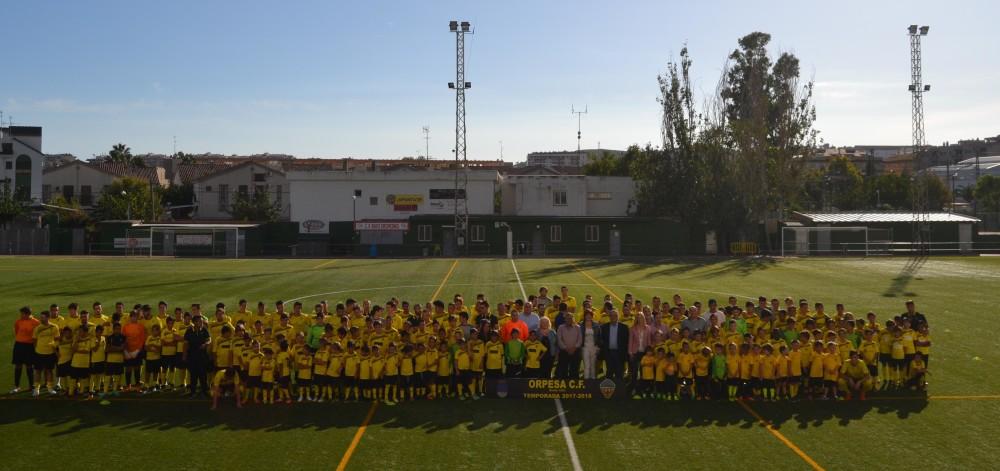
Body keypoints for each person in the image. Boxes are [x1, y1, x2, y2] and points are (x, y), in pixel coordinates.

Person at [11, 307, 39, 394]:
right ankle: (17, 386)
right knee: (18, 366)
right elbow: (16, 331)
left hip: (29, 346)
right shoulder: (18, 321)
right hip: (19, 345)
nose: (21, 315)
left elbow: (37, 335)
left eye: (22, 314)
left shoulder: (36, 322)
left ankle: (31, 386)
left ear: (27, 314)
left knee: (29, 366)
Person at [183, 315, 212, 397]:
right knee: (193, 374)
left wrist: (205, 344)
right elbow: (185, 343)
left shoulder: (204, 330)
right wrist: (184, 355)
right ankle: (193, 391)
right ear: (194, 322)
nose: (201, 323)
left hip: (202, 356)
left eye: (202, 321)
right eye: (200, 321)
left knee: (203, 374)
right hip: (192, 356)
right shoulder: (189, 331)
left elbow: (209, 340)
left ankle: (204, 391)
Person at [31, 311, 58, 396]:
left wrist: (53, 345)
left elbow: (57, 339)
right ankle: (36, 389)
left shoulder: (54, 327)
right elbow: (34, 340)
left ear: (47, 318)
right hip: (39, 353)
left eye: (43, 317)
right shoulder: (37, 328)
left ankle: (50, 388)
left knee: (49, 371)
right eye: (41, 317)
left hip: (50, 353)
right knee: (38, 371)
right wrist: (38, 348)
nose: (41, 319)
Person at [599, 309, 629, 381]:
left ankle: (619, 390)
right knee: (609, 372)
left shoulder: (624, 327)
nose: (613, 317)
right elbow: (601, 340)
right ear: (609, 317)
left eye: (615, 316)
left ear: (618, 317)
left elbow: (626, 341)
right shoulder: (604, 327)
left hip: (619, 353)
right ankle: (609, 390)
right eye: (611, 316)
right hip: (609, 353)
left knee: (619, 373)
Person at [580, 311, 601, 379]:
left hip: (594, 347)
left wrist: (598, 347)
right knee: (587, 365)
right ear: (584, 316)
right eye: (587, 315)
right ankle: (586, 381)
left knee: (592, 366)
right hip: (585, 347)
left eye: (590, 315)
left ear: (592, 316)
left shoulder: (596, 325)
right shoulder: (581, 325)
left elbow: (599, 337)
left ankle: (592, 381)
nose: (588, 316)